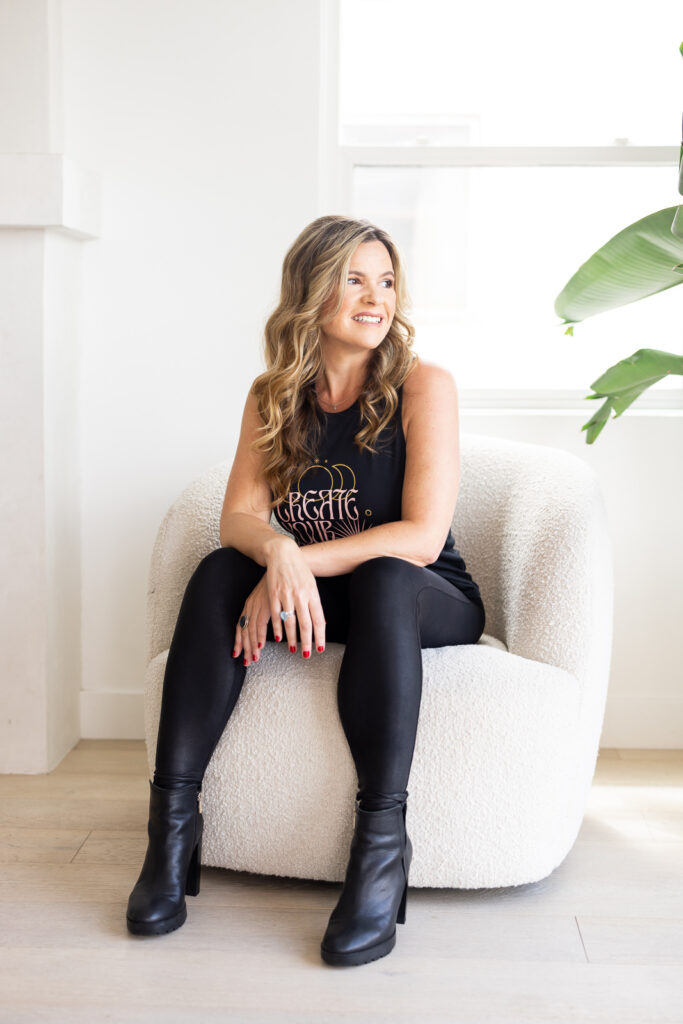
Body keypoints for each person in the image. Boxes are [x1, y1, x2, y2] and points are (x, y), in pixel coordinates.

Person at [126, 214, 486, 967]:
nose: (375, 297)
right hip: (325, 596)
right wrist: (278, 551)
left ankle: (381, 852)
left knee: (388, 574)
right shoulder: (273, 396)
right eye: (354, 279)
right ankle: (170, 833)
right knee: (222, 569)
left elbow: (420, 537)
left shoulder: (423, 386)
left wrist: (295, 564)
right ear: (311, 291)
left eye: (385, 280)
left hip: (420, 597)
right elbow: (238, 519)